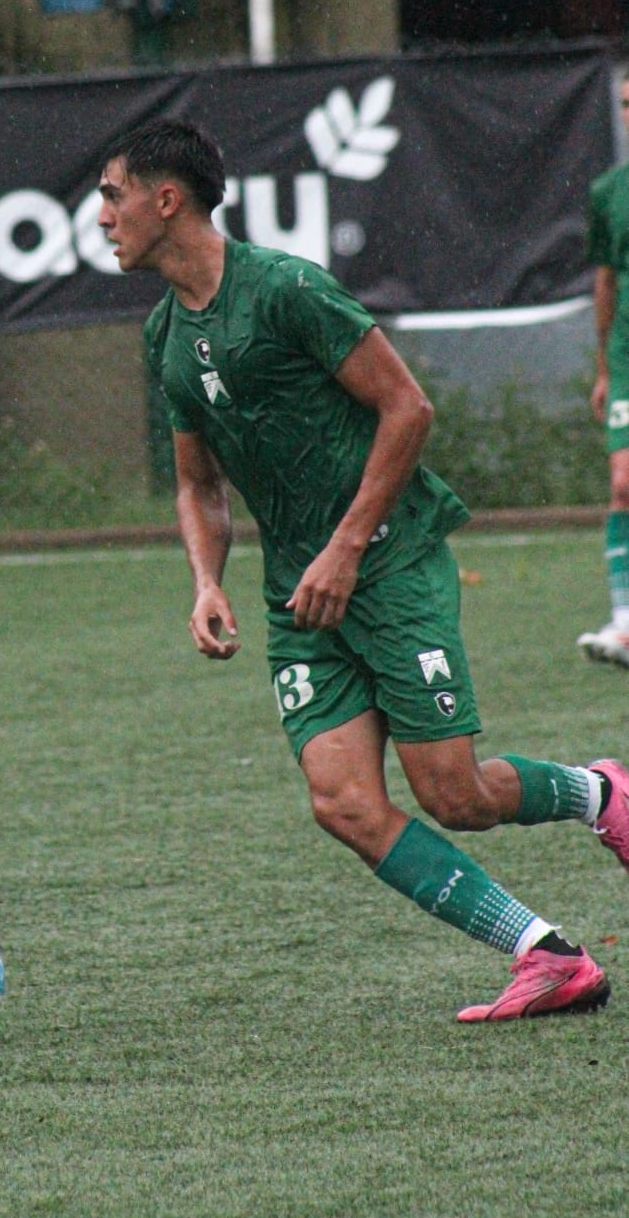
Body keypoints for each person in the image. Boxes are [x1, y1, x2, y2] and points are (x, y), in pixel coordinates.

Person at [97, 116, 629, 1022]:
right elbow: (198, 483)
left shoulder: (287, 290)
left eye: (114, 196)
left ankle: (602, 793)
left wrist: (345, 547)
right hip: (300, 595)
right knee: (343, 803)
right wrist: (207, 581)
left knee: (455, 795)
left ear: (167, 199)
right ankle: (547, 956)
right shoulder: (163, 334)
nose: (103, 216)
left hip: (389, 563)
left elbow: (407, 409)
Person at [577, 73, 629, 666]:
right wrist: (604, 368)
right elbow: (607, 281)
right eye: (625, 104)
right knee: (623, 484)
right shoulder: (609, 192)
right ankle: (624, 622)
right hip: (626, 357)